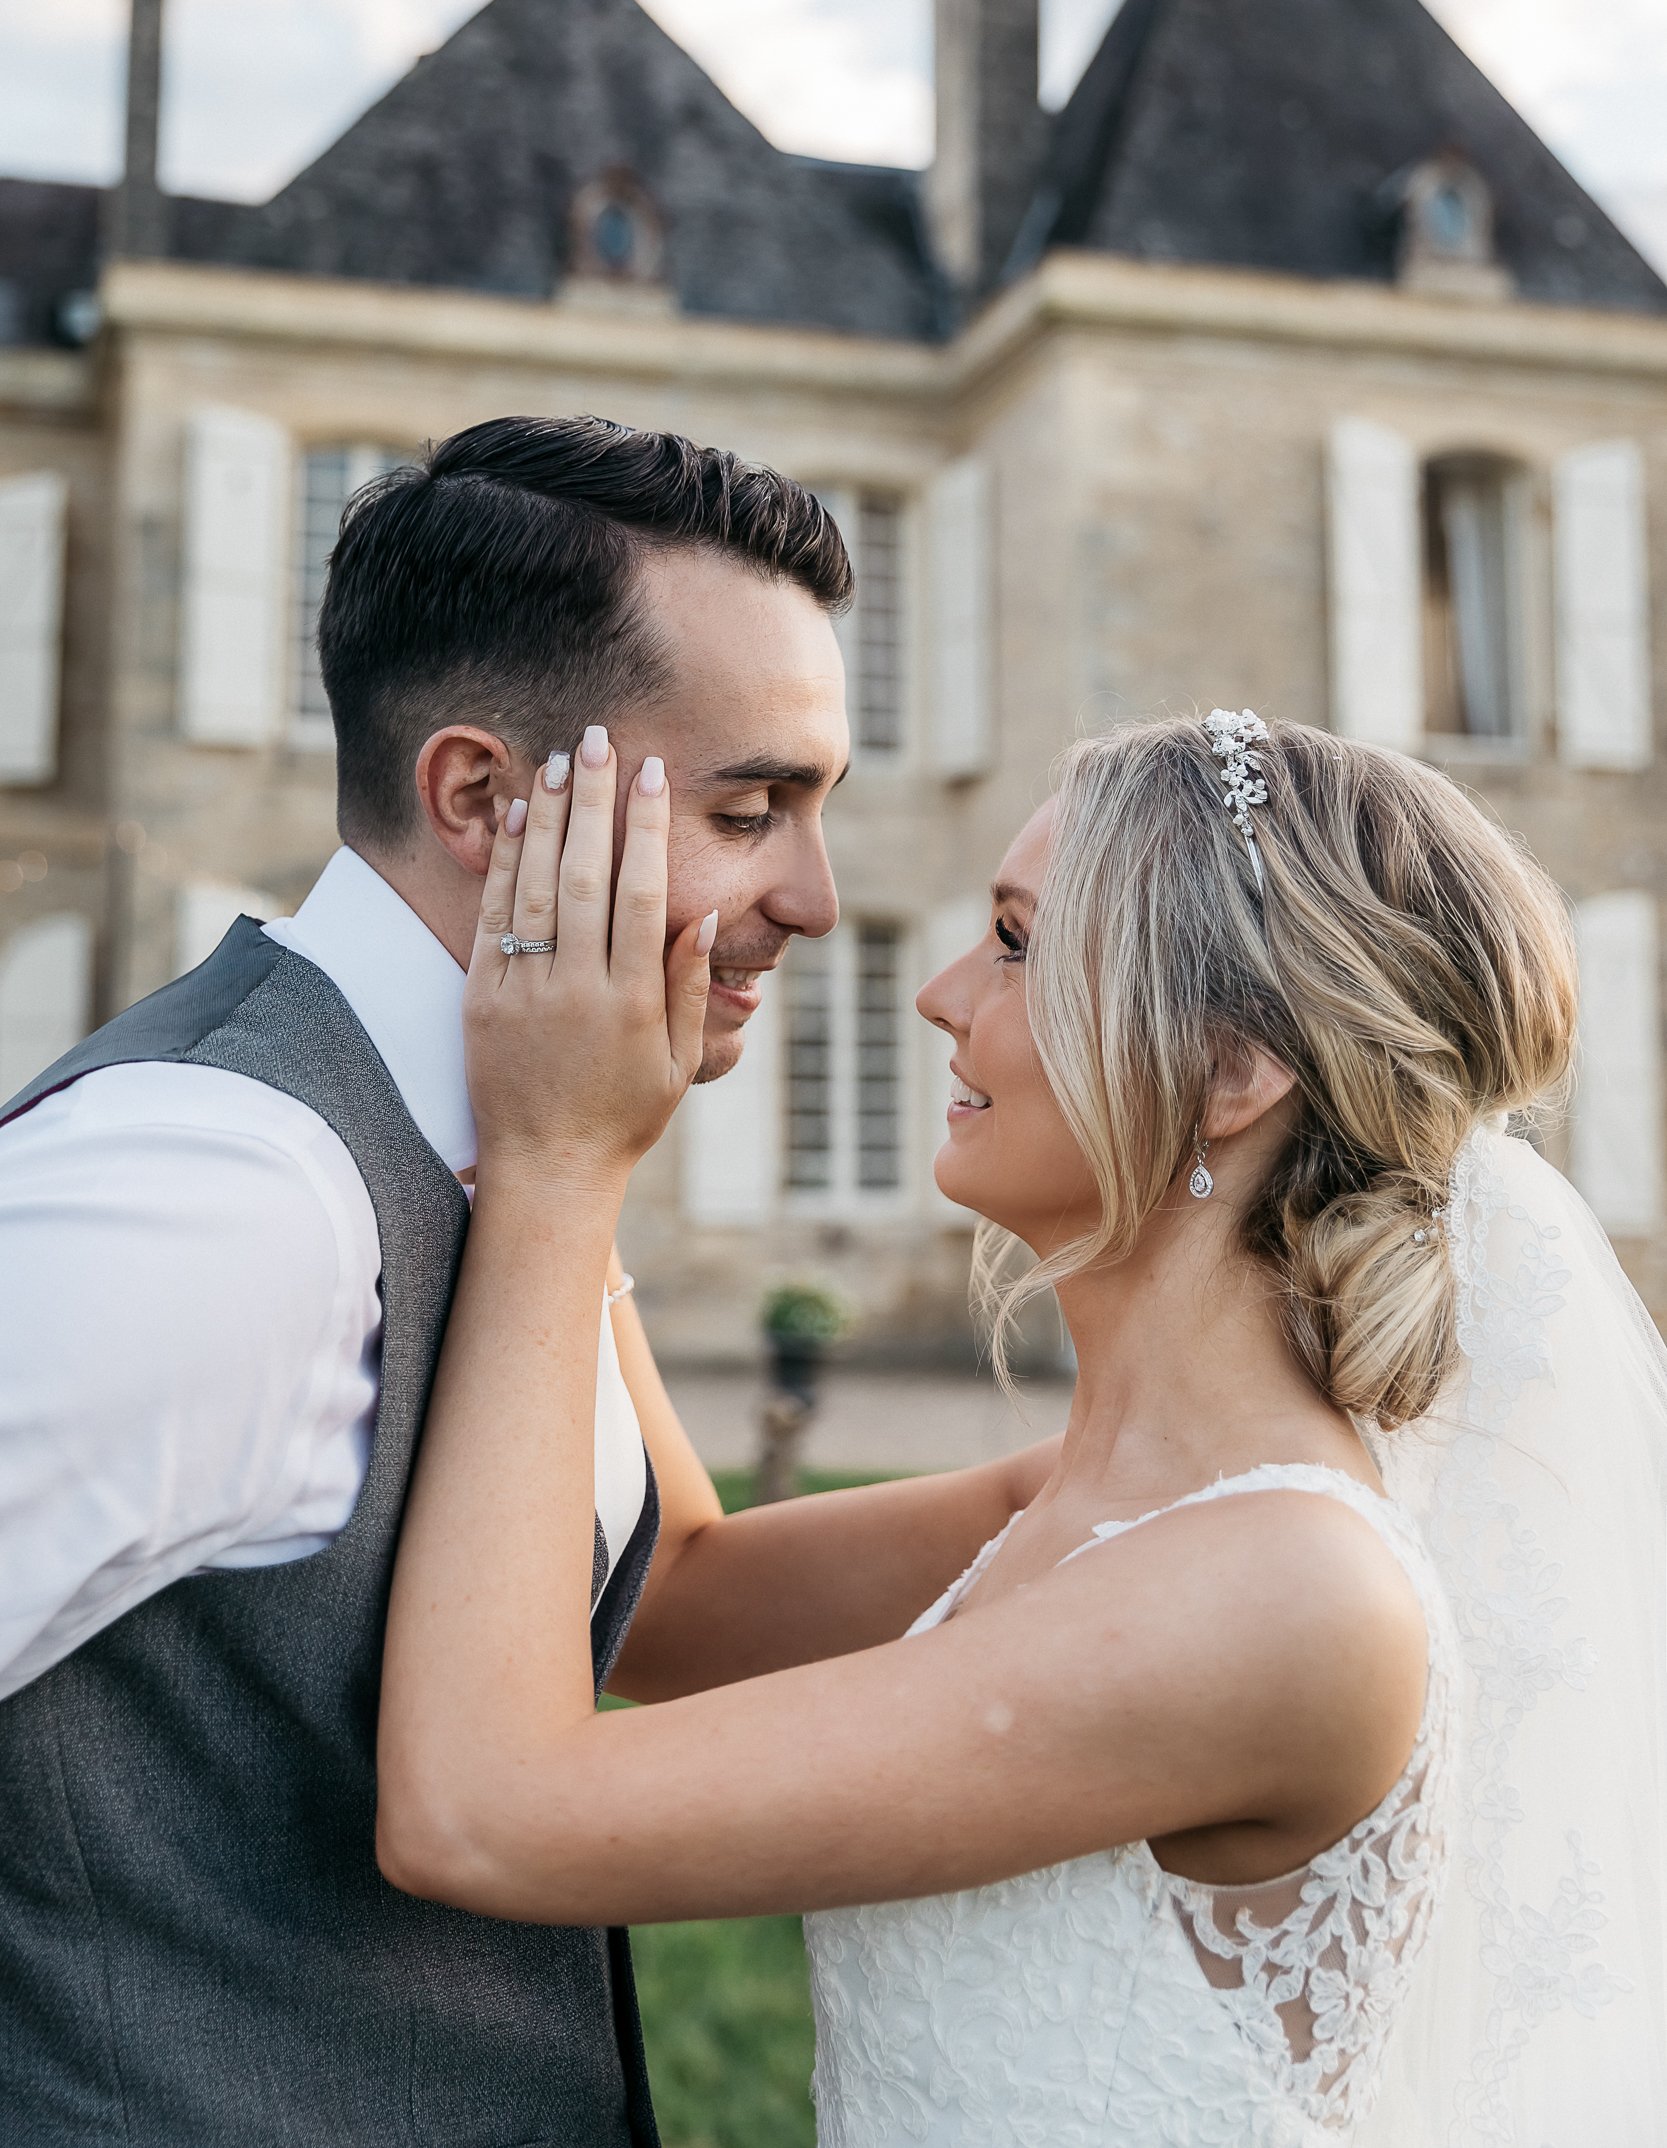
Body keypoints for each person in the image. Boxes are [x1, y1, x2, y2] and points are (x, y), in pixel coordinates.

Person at [377, 708, 1667, 2145]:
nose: (939, 996)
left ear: (1232, 1072)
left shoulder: (1281, 1595)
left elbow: (478, 1813)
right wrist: (578, 1149)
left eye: (1011, 940)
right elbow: (673, 1598)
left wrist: (554, 1165)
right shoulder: (1105, 1503)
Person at [0, 415, 1062, 2146]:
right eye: (749, 809)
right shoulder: (217, 1197)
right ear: (486, 801)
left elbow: (677, 1589)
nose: (815, 897)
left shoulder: (521, 1129)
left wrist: (1186, 1463)